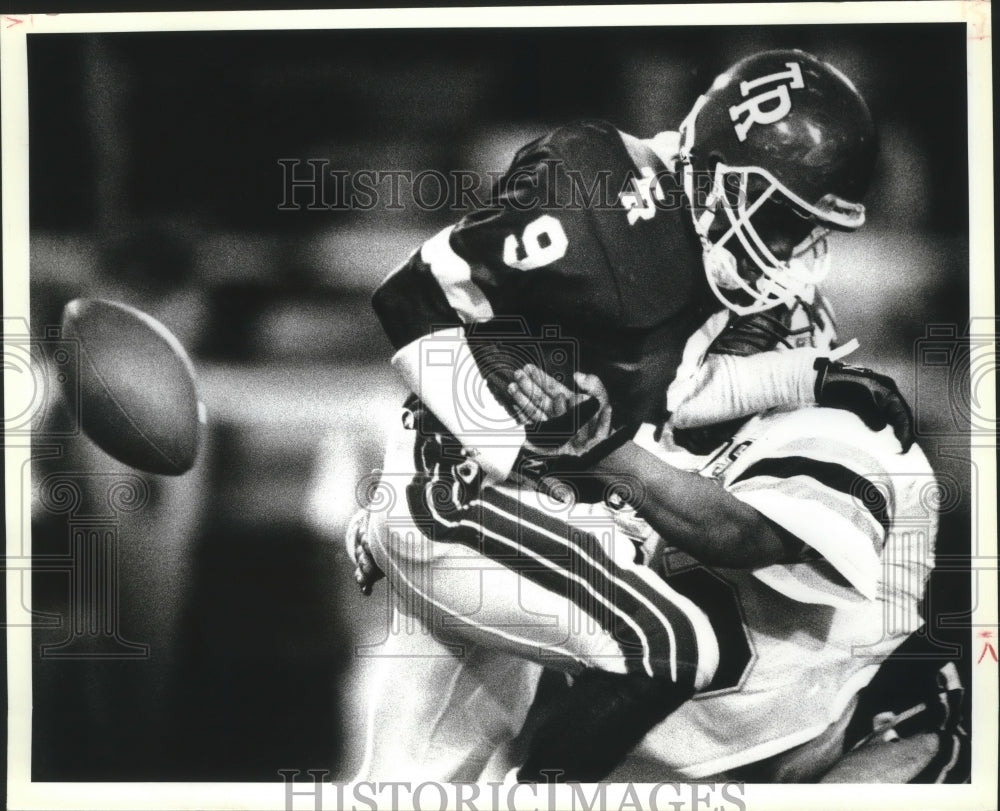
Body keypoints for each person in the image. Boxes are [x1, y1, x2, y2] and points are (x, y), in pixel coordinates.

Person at [352, 49, 914, 781]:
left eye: (810, 227)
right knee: (678, 643)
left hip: (504, 514)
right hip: (466, 497)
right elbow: (409, 295)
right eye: (782, 218)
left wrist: (813, 378)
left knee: (412, 786)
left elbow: (682, 391)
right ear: (721, 173)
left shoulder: (719, 265)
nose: (792, 249)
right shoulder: (599, 185)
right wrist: (511, 445)